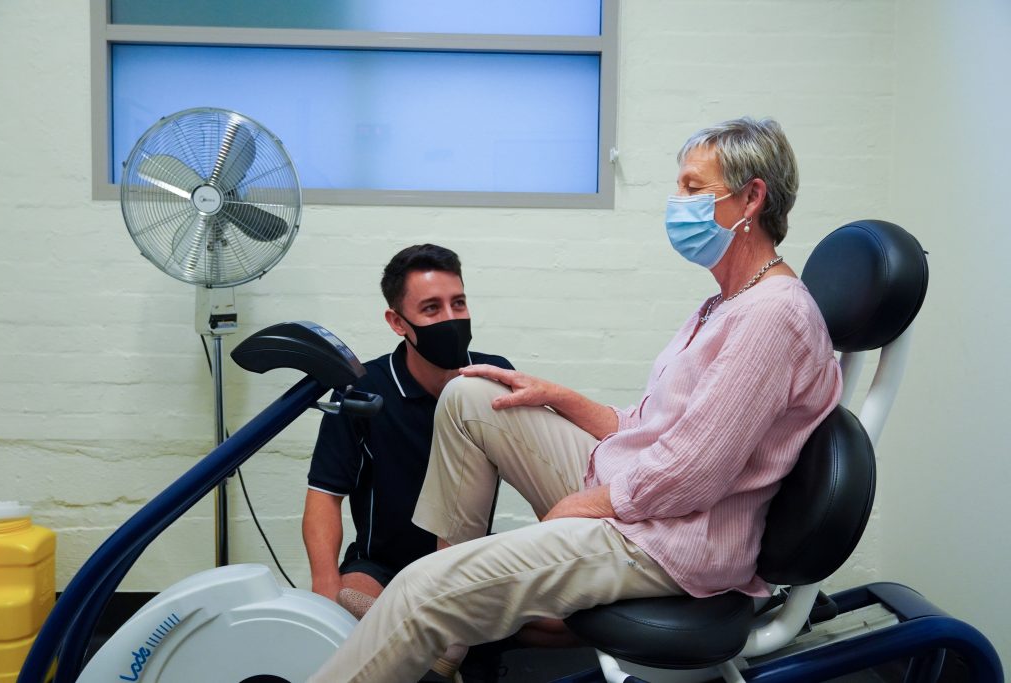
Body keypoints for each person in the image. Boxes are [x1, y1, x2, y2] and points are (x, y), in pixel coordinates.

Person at [308, 117, 844, 683]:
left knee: (421, 586)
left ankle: (436, 612)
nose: (677, 203)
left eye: (693, 189)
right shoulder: (728, 303)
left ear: (752, 198)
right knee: (470, 395)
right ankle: (449, 642)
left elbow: (693, 473)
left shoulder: (772, 315)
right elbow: (647, 425)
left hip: (673, 542)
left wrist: (579, 507)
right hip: (644, 496)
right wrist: (556, 395)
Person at [302, 244, 513, 622]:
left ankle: (443, 639)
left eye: (459, 304)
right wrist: (324, 588)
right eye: (432, 308)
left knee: (573, 615)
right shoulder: (362, 390)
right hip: (382, 570)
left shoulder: (493, 376)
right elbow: (324, 494)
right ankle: (446, 639)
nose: (451, 318)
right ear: (397, 322)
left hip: (469, 563)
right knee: (352, 600)